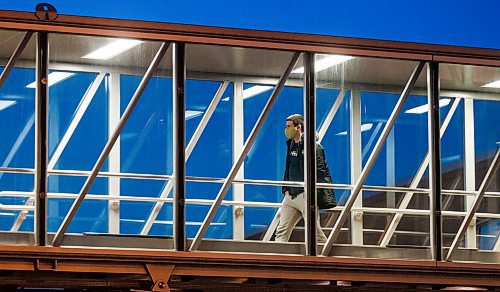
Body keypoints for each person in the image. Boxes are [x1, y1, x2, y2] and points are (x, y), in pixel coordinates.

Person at [275, 114, 336, 243]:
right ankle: (279, 259)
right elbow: (289, 168)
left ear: (298, 127)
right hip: (290, 196)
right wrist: (286, 189)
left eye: (289, 126)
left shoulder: (313, 146)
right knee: (281, 231)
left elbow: (321, 171)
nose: (286, 129)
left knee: (314, 231)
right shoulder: (291, 145)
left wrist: (315, 194)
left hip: (305, 195)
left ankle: (326, 257)